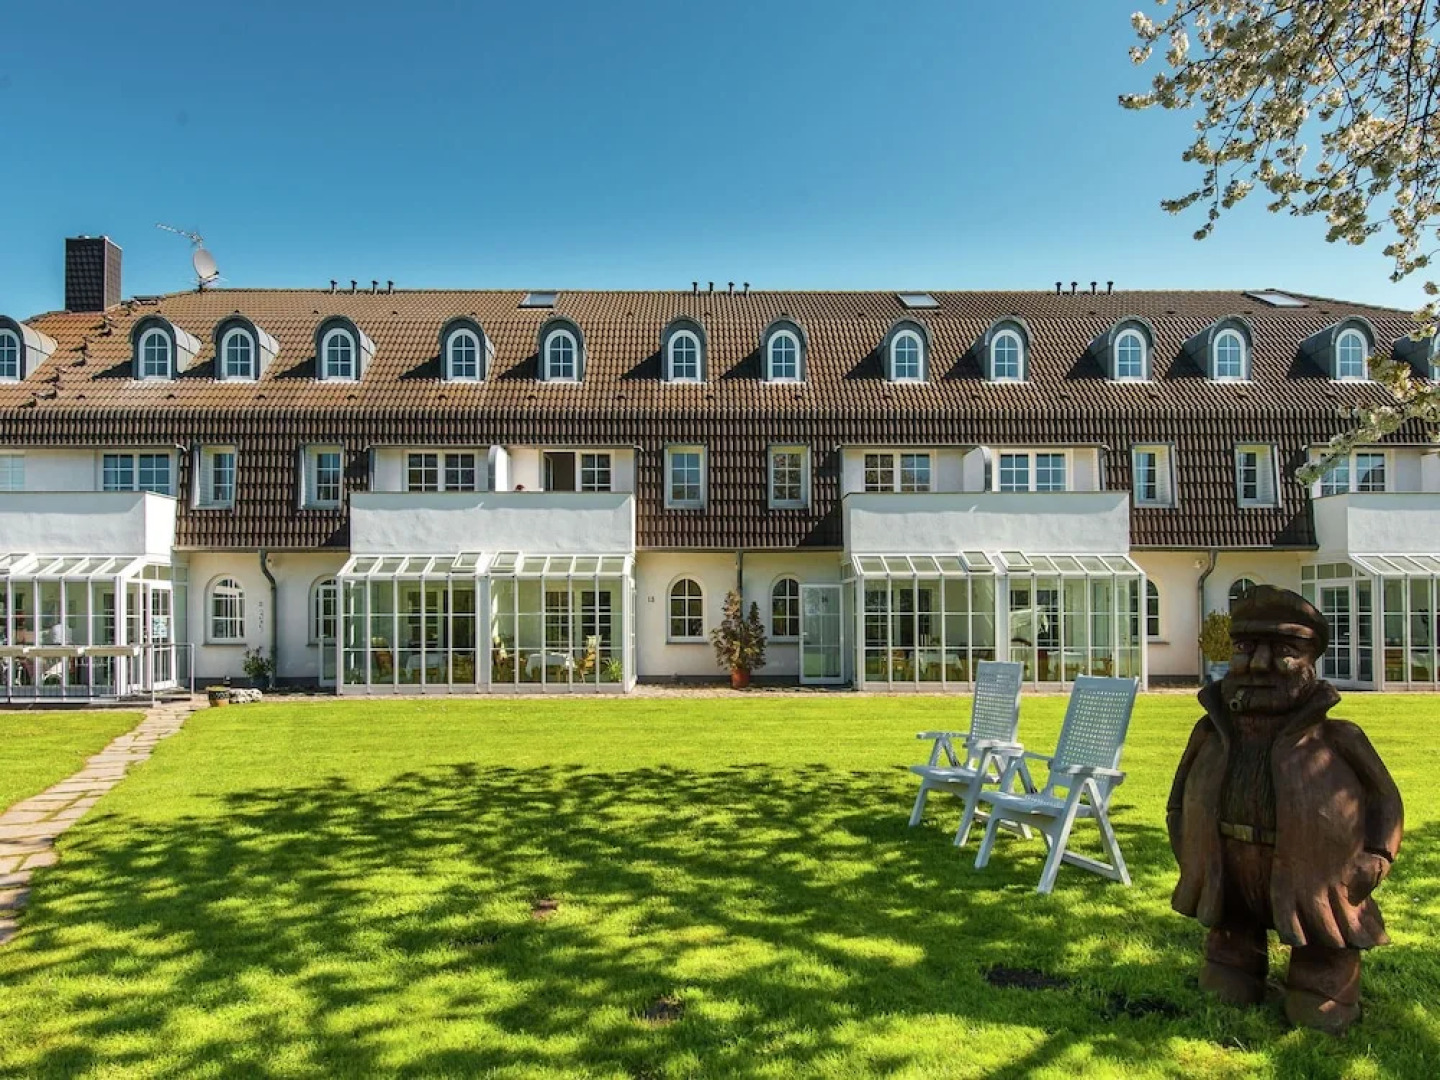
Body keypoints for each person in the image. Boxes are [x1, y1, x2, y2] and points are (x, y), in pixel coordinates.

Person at [1168, 585, 1403, 1034]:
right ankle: (1237, 958)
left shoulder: (1339, 738)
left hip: (1315, 882)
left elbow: (1384, 799)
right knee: (1226, 973)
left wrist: (1378, 854)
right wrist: (1185, 840)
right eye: (1245, 648)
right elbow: (1178, 796)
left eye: (1284, 651)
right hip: (1228, 874)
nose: (1258, 664)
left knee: (1317, 989)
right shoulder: (1210, 731)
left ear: (1311, 659)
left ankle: (1322, 979)